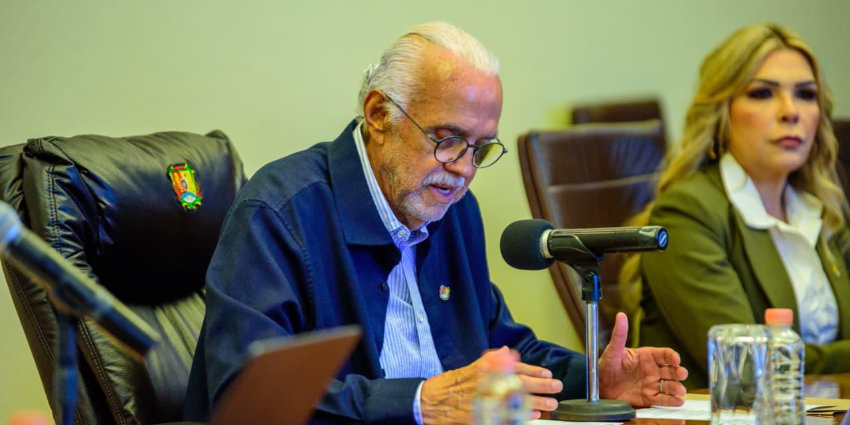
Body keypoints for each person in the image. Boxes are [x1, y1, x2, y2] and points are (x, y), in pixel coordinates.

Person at [185, 22, 687, 424]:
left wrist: (594, 379)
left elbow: (503, 346)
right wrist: (419, 403)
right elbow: (246, 399)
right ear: (379, 114)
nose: (464, 169)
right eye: (447, 140)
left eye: (480, 149)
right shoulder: (279, 213)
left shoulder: (453, 209)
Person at [621, 23, 850, 389]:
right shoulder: (687, 212)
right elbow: (744, 366)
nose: (790, 111)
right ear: (722, 112)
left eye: (806, 94)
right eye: (762, 93)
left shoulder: (821, 209)